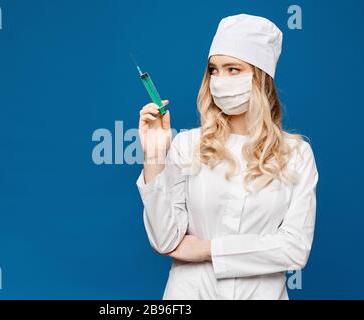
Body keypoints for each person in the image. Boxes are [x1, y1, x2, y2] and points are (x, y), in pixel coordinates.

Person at [136, 14, 319, 300]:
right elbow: (166, 240)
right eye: (214, 70)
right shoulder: (188, 145)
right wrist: (155, 157)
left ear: (260, 78)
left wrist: (207, 249)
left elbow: (295, 249)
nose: (220, 80)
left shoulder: (296, 154)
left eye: (233, 69)